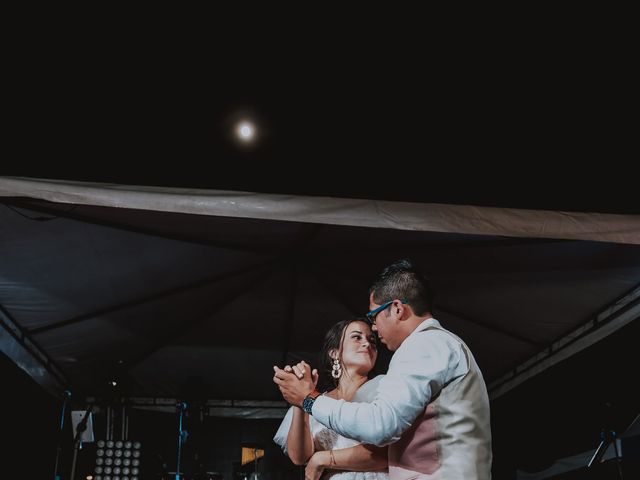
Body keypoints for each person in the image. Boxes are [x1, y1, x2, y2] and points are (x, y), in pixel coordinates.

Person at [273, 259, 492, 479]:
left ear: (397, 309)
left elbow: (381, 425)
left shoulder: (423, 345)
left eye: (373, 316)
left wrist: (309, 400)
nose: (375, 328)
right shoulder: (435, 344)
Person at [273, 318, 389, 479]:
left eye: (372, 341)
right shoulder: (318, 400)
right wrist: (301, 401)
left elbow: (386, 453)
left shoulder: (384, 387)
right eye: (357, 337)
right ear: (334, 353)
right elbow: (299, 457)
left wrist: (322, 458)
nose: (367, 344)